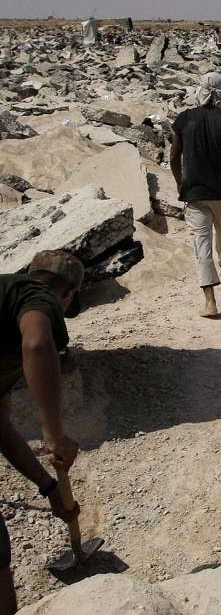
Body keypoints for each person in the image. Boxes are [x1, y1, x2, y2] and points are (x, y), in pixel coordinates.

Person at [1, 250, 84, 614]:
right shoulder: (36, 297)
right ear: (66, 295)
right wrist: (54, 434)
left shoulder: (4, 295)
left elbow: (0, 428)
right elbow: (36, 343)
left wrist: (49, 487)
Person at [170, 72, 221, 318]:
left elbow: (174, 157)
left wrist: (179, 183)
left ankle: (210, 301)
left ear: (199, 91)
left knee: (201, 244)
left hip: (194, 192)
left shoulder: (184, 119)